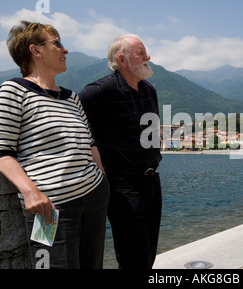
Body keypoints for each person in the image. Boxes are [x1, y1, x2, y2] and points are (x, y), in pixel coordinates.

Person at [0, 21, 110, 269]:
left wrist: (102, 176)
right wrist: (30, 191)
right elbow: (1, 152)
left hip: (94, 197)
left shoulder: (71, 97)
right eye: (58, 43)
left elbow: (90, 142)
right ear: (35, 50)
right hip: (49, 208)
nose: (65, 50)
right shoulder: (14, 90)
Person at [78, 34, 162, 269]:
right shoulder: (100, 90)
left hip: (152, 181)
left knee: (149, 255)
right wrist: (94, 154)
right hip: (122, 185)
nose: (148, 57)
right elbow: (75, 117)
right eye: (140, 53)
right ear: (122, 59)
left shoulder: (148, 90)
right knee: (133, 256)